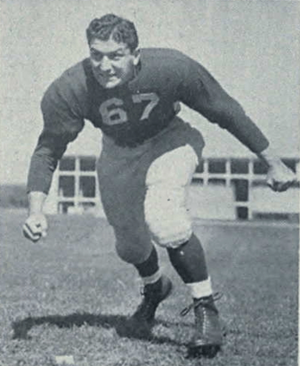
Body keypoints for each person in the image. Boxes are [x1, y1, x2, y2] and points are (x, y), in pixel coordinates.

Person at [22, 14, 296, 358]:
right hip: (118, 152)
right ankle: (155, 288)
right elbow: (49, 147)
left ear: (136, 54)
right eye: (96, 55)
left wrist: (271, 159)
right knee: (130, 247)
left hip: (170, 139)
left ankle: (205, 309)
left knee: (166, 221)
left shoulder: (171, 68)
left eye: (116, 55)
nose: (105, 65)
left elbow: (223, 109)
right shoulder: (71, 87)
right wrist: (36, 211)